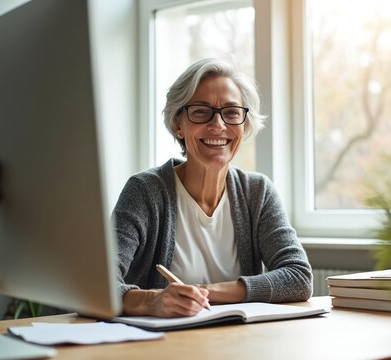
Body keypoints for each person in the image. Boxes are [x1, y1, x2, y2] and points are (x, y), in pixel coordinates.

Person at [113, 58, 313, 317]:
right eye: (200, 111)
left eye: (231, 112)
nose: (218, 125)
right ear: (178, 124)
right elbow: (98, 283)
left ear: (244, 124)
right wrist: (153, 300)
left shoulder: (257, 193)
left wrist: (206, 291)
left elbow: (298, 277)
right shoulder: (145, 191)